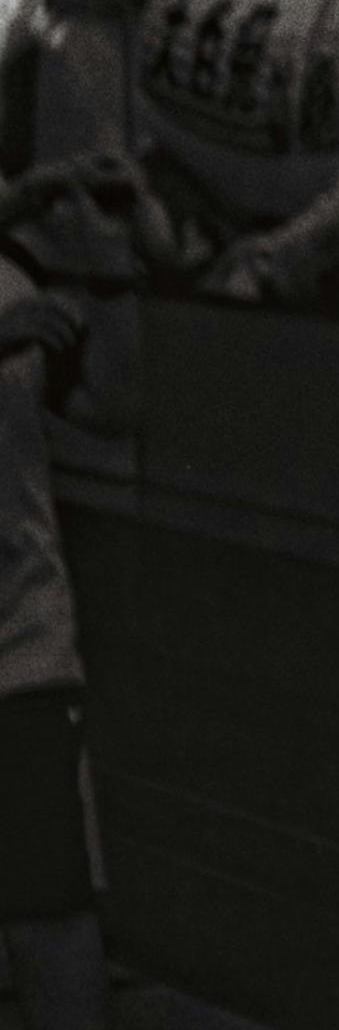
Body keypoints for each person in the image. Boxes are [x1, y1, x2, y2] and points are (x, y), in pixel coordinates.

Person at [0, 253, 104, 1030]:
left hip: (22, 657)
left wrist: (116, 271)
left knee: (51, 920)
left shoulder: (12, 278)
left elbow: (118, 401)